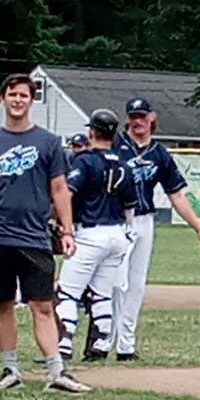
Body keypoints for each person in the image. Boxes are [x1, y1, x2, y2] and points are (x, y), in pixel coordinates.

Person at [0, 74, 85, 392]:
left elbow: (60, 189)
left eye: (24, 95)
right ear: (3, 98)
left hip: (33, 236)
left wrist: (67, 230)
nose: (18, 100)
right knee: (2, 303)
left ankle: (57, 372)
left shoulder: (47, 142)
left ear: (31, 101)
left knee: (43, 305)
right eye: (12, 94)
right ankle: (10, 370)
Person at [110, 97, 200, 361]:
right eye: (133, 116)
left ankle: (126, 345)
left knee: (136, 284)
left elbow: (176, 195)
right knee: (115, 282)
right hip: (118, 220)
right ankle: (103, 340)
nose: (138, 121)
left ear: (151, 118)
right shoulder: (115, 145)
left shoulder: (159, 153)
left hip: (144, 220)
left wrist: (198, 227)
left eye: (142, 116)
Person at [55, 109, 138, 364]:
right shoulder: (124, 164)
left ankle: (63, 344)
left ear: (91, 132)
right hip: (117, 233)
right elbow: (130, 207)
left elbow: (67, 193)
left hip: (91, 233)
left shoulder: (86, 160)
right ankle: (100, 346)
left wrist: (61, 224)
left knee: (67, 293)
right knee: (102, 294)